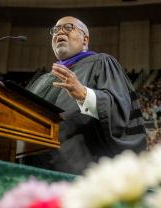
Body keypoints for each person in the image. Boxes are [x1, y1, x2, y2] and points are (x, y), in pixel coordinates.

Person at [23, 16, 147, 174]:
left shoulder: (102, 63)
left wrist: (84, 95)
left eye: (68, 27)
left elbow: (120, 111)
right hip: (33, 172)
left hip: (80, 171)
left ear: (85, 40)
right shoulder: (41, 80)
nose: (59, 31)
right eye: (55, 30)